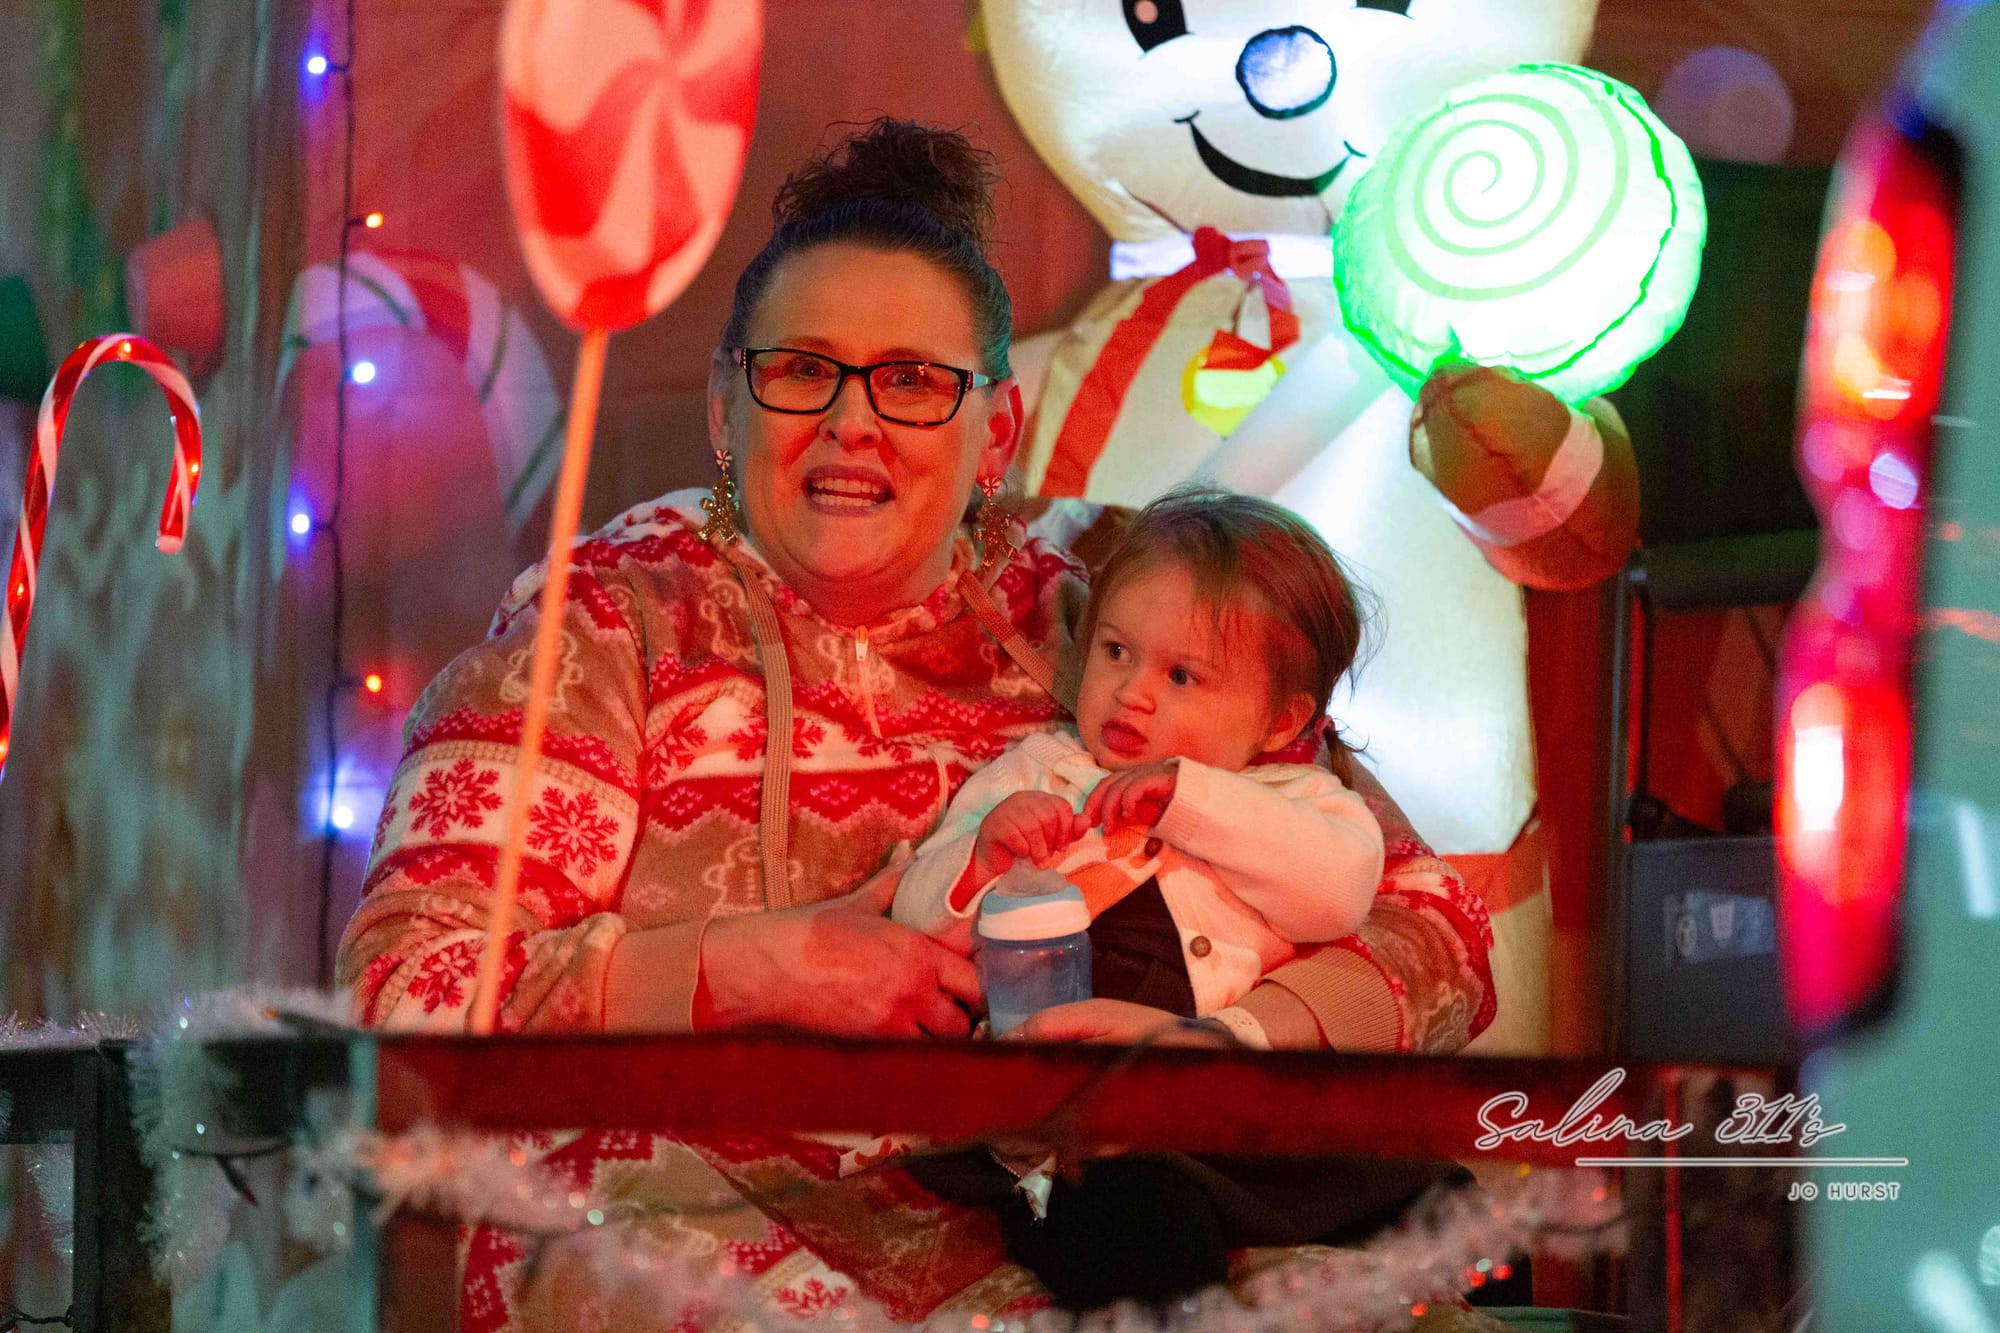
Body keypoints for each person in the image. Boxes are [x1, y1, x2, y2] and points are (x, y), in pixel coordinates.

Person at [337, 118, 1496, 1327]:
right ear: (727, 408)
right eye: (802, 369)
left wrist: (1234, 1046)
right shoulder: (604, 625)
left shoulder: (1102, 594)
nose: (853, 423)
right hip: (700, 1232)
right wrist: (749, 968)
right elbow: (399, 1003)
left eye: (911, 381)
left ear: (994, 430)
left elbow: (1437, 931)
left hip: (1083, 1227)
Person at [894, 488, 1383, 1030]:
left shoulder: (1296, 799)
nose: (1130, 692)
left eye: (1181, 676)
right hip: (1035, 1038)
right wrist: (981, 861)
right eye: (1116, 651)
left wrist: (1191, 799)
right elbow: (913, 921)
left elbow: (1342, 897)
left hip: (1186, 1057)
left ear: (1280, 721)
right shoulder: (1040, 771)